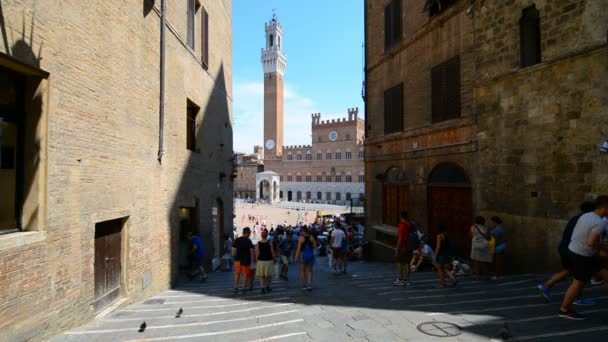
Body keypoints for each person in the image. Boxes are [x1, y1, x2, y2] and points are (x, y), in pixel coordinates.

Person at [558, 195, 608, 320]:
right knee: (578, 284)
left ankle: (565, 308)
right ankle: (564, 309)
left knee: (604, 271)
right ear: (605, 208)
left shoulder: (585, 215)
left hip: (575, 251)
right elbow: (591, 242)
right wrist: (603, 247)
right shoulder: (599, 222)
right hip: (582, 255)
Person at [538, 201, 596, 304]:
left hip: (566, 247)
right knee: (579, 274)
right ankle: (576, 297)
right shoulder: (587, 220)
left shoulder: (577, 218)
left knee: (570, 271)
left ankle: (547, 286)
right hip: (573, 249)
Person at [232, 227, 255, 294]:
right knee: (245, 275)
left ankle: (236, 287)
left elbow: (233, 249)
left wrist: (233, 256)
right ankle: (243, 288)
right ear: (247, 233)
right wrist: (253, 259)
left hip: (237, 260)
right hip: (246, 260)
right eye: (249, 233)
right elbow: (252, 251)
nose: (250, 234)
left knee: (237, 274)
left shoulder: (237, 240)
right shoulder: (248, 241)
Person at [394, 211, 413, 286]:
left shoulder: (402, 225)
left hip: (403, 247)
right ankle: (408, 280)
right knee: (407, 263)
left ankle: (400, 279)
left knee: (399, 262)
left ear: (401, 217)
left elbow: (400, 238)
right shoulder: (410, 224)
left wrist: (397, 248)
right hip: (409, 246)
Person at [295, 226, 317, 291]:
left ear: (303, 231)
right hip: (310, 254)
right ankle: (310, 285)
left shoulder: (301, 238)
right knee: (310, 271)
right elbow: (315, 246)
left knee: (303, 271)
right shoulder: (312, 237)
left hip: (303, 255)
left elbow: (298, 249)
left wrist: (296, 257)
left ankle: (304, 285)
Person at [470, 216, 492, 281]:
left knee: (476, 261)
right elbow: (489, 237)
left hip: (476, 245)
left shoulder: (473, 227)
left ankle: (477, 276)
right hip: (484, 246)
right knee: (484, 261)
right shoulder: (486, 228)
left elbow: (471, 235)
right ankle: (486, 275)